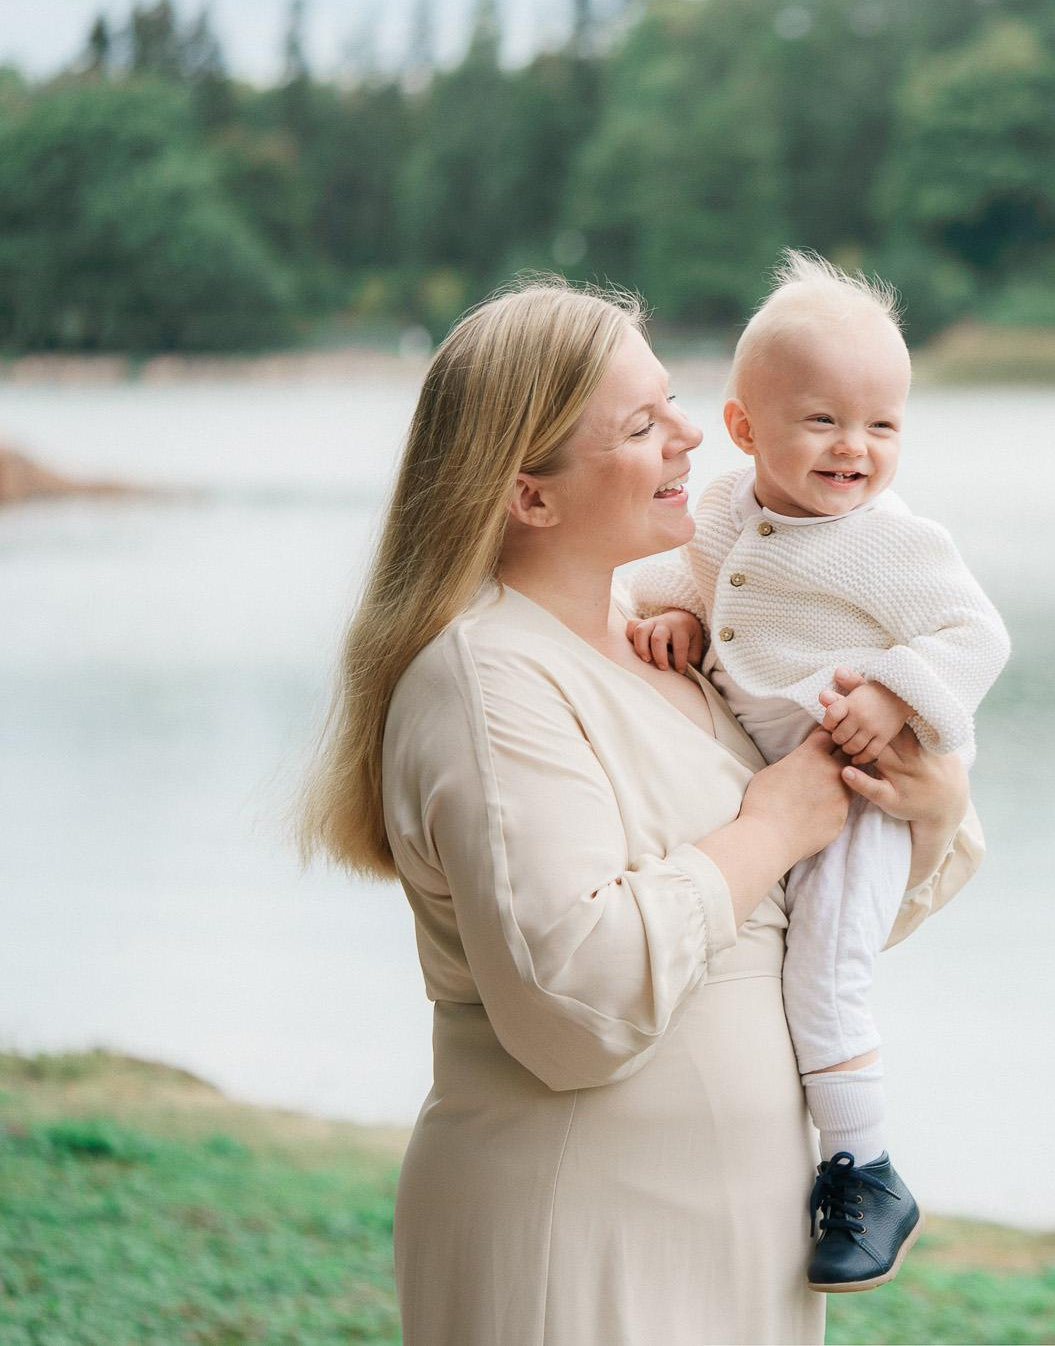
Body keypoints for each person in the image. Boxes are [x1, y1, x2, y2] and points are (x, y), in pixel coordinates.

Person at [296, 276, 984, 1345]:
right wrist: (769, 827)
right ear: (531, 495)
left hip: (735, 1244)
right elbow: (575, 1007)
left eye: (672, 401)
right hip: (579, 1244)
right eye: (642, 423)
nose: (690, 436)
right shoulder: (489, 681)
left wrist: (928, 806)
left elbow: (795, 931)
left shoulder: (669, 630)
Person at [624, 250, 1009, 1291]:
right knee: (784, 958)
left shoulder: (891, 543)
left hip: (870, 779)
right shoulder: (721, 508)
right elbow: (693, 576)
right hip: (800, 778)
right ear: (744, 428)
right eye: (824, 421)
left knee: (827, 970)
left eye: (883, 426)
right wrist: (676, 615)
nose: (857, 449)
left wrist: (895, 689)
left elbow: (977, 638)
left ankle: (867, 1166)